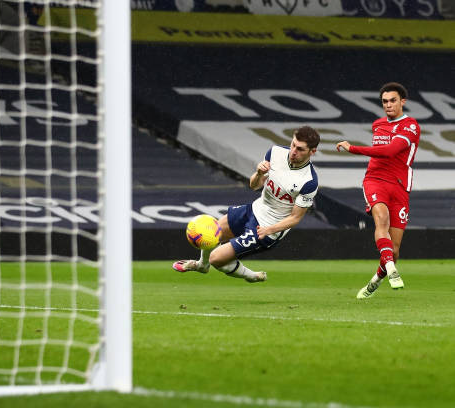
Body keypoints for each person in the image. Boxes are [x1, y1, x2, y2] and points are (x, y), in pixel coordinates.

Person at [173, 126, 320, 283]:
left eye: (300, 149)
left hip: (268, 228)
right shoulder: (276, 152)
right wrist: (259, 173)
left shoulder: (309, 181)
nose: (293, 151)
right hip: (254, 209)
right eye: (292, 145)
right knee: (213, 230)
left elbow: (295, 218)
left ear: (312, 152)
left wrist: (269, 230)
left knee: (217, 259)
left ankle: (251, 276)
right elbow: (254, 186)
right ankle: (202, 265)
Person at [336, 82, 420, 299]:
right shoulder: (378, 124)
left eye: (393, 100)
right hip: (375, 181)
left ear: (403, 102)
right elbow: (379, 155)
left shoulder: (410, 126)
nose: (388, 105)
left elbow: (391, 151)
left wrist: (352, 148)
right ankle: (391, 269)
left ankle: (376, 279)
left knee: (395, 249)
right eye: (385, 101)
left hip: (400, 186)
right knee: (380, 218)